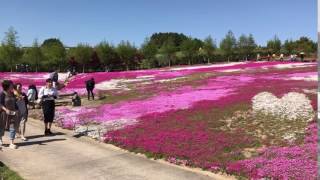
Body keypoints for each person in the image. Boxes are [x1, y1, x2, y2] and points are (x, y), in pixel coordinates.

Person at [0, 80, 19, 149]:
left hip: (13, 113)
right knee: (2, 126)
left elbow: (14, 102)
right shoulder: (2, 94)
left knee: (13, 127)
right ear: (7, 86)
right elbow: (1, 104)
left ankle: (11, 143)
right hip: (4, 113)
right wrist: (6, 110)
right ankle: (0, 139)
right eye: (11, 84)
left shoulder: (13, 93)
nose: (12, 85)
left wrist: (17, 110)